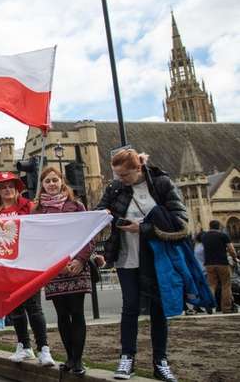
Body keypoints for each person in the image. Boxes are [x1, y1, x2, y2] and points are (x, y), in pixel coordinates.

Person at [96, 148, 186, 382]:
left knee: (158, 310)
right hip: (127, 257)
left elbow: (180, 222)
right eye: (117, 175)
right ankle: (127, 358)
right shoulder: (115, 188)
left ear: (138, 169)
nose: (120, 180)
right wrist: (106, 215)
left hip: (155, 257)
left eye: (124, 175)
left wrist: (142, 229)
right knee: (130, 308)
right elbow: (99, 212)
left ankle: (161, 362)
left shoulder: (162, 184)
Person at [0, 171, 54, 368]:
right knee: (15, 310)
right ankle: (24, 346)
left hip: (28, 265)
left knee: (34, 309)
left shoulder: (30, 207)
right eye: (3, 187)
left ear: (17, 189)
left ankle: (44, 348)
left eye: (11, 186)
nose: (7, 190)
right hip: (5, 268)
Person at [32, 167, 90, 375]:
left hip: (76, 266)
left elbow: (88, 233)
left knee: (77, 313)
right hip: (55, 268)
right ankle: (69, 357)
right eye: (47, 181)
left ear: (62, 181)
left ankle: (78, 360)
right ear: (43, 185)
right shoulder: (38, 210)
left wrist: (81, 259)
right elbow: (36, 239)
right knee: (62, 315)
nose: (52, 184)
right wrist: (53, 261)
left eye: (55, 180)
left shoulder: (76, 205)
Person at [202, 220, 238, 313]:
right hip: (222, 263)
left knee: (211, 285)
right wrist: (235, 258)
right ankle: (226, 308)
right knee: (226, 285)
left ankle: (210, 306)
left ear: (210, 226)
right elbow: (231, 249)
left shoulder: (204, 236)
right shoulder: (223, 235)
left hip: (209, 264)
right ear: (219, 227)